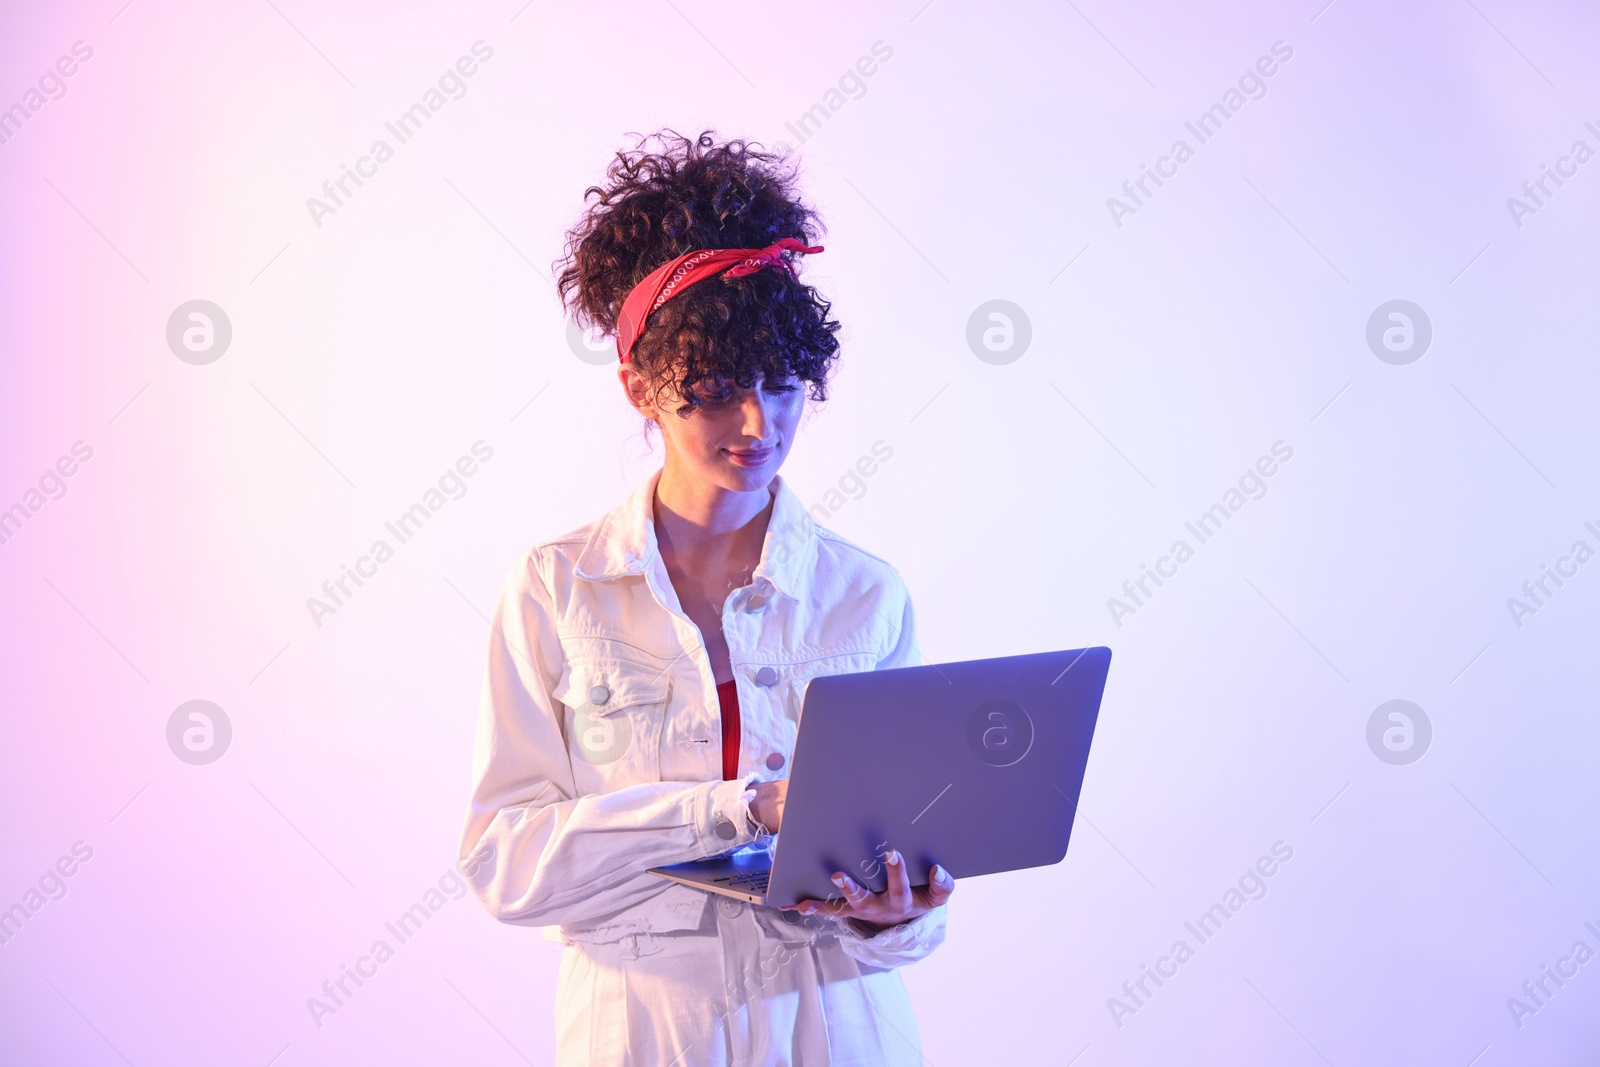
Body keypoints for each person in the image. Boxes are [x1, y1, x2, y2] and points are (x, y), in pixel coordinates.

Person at [458, 130, 954, 1066]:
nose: (759, 424)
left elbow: (911, 905)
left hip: (840, 1030)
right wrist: (737, 808)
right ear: (642, 387)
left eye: (782, 382)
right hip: (645, 1034)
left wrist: (899, 914)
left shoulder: (864, 594)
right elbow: (507, 866)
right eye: (718, 392)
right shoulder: (557, 589)